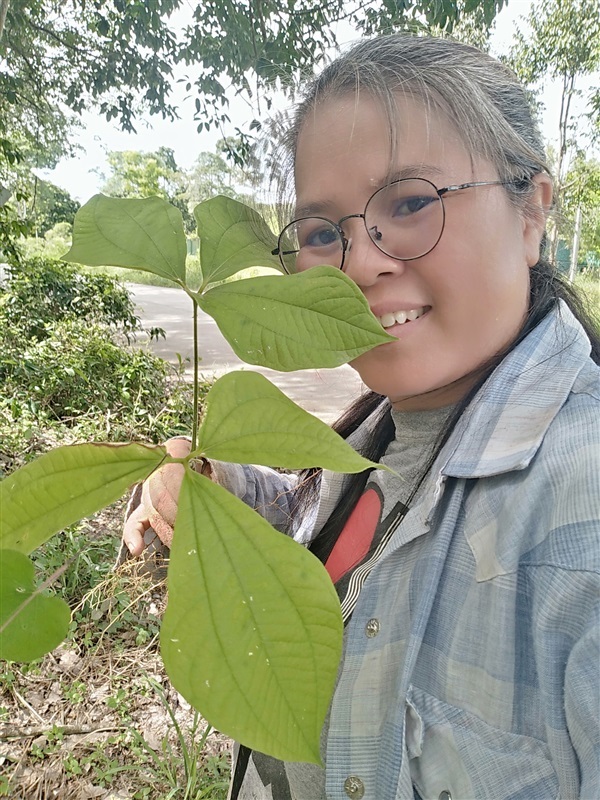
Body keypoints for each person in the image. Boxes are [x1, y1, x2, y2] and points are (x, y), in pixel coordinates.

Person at [122, 34, 600, 800]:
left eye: (410, 203)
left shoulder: (581, 510)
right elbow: (336, 519)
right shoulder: (385, 426)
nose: (359, 265)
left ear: (530, 214)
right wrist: (209, 483)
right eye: (321, 234)